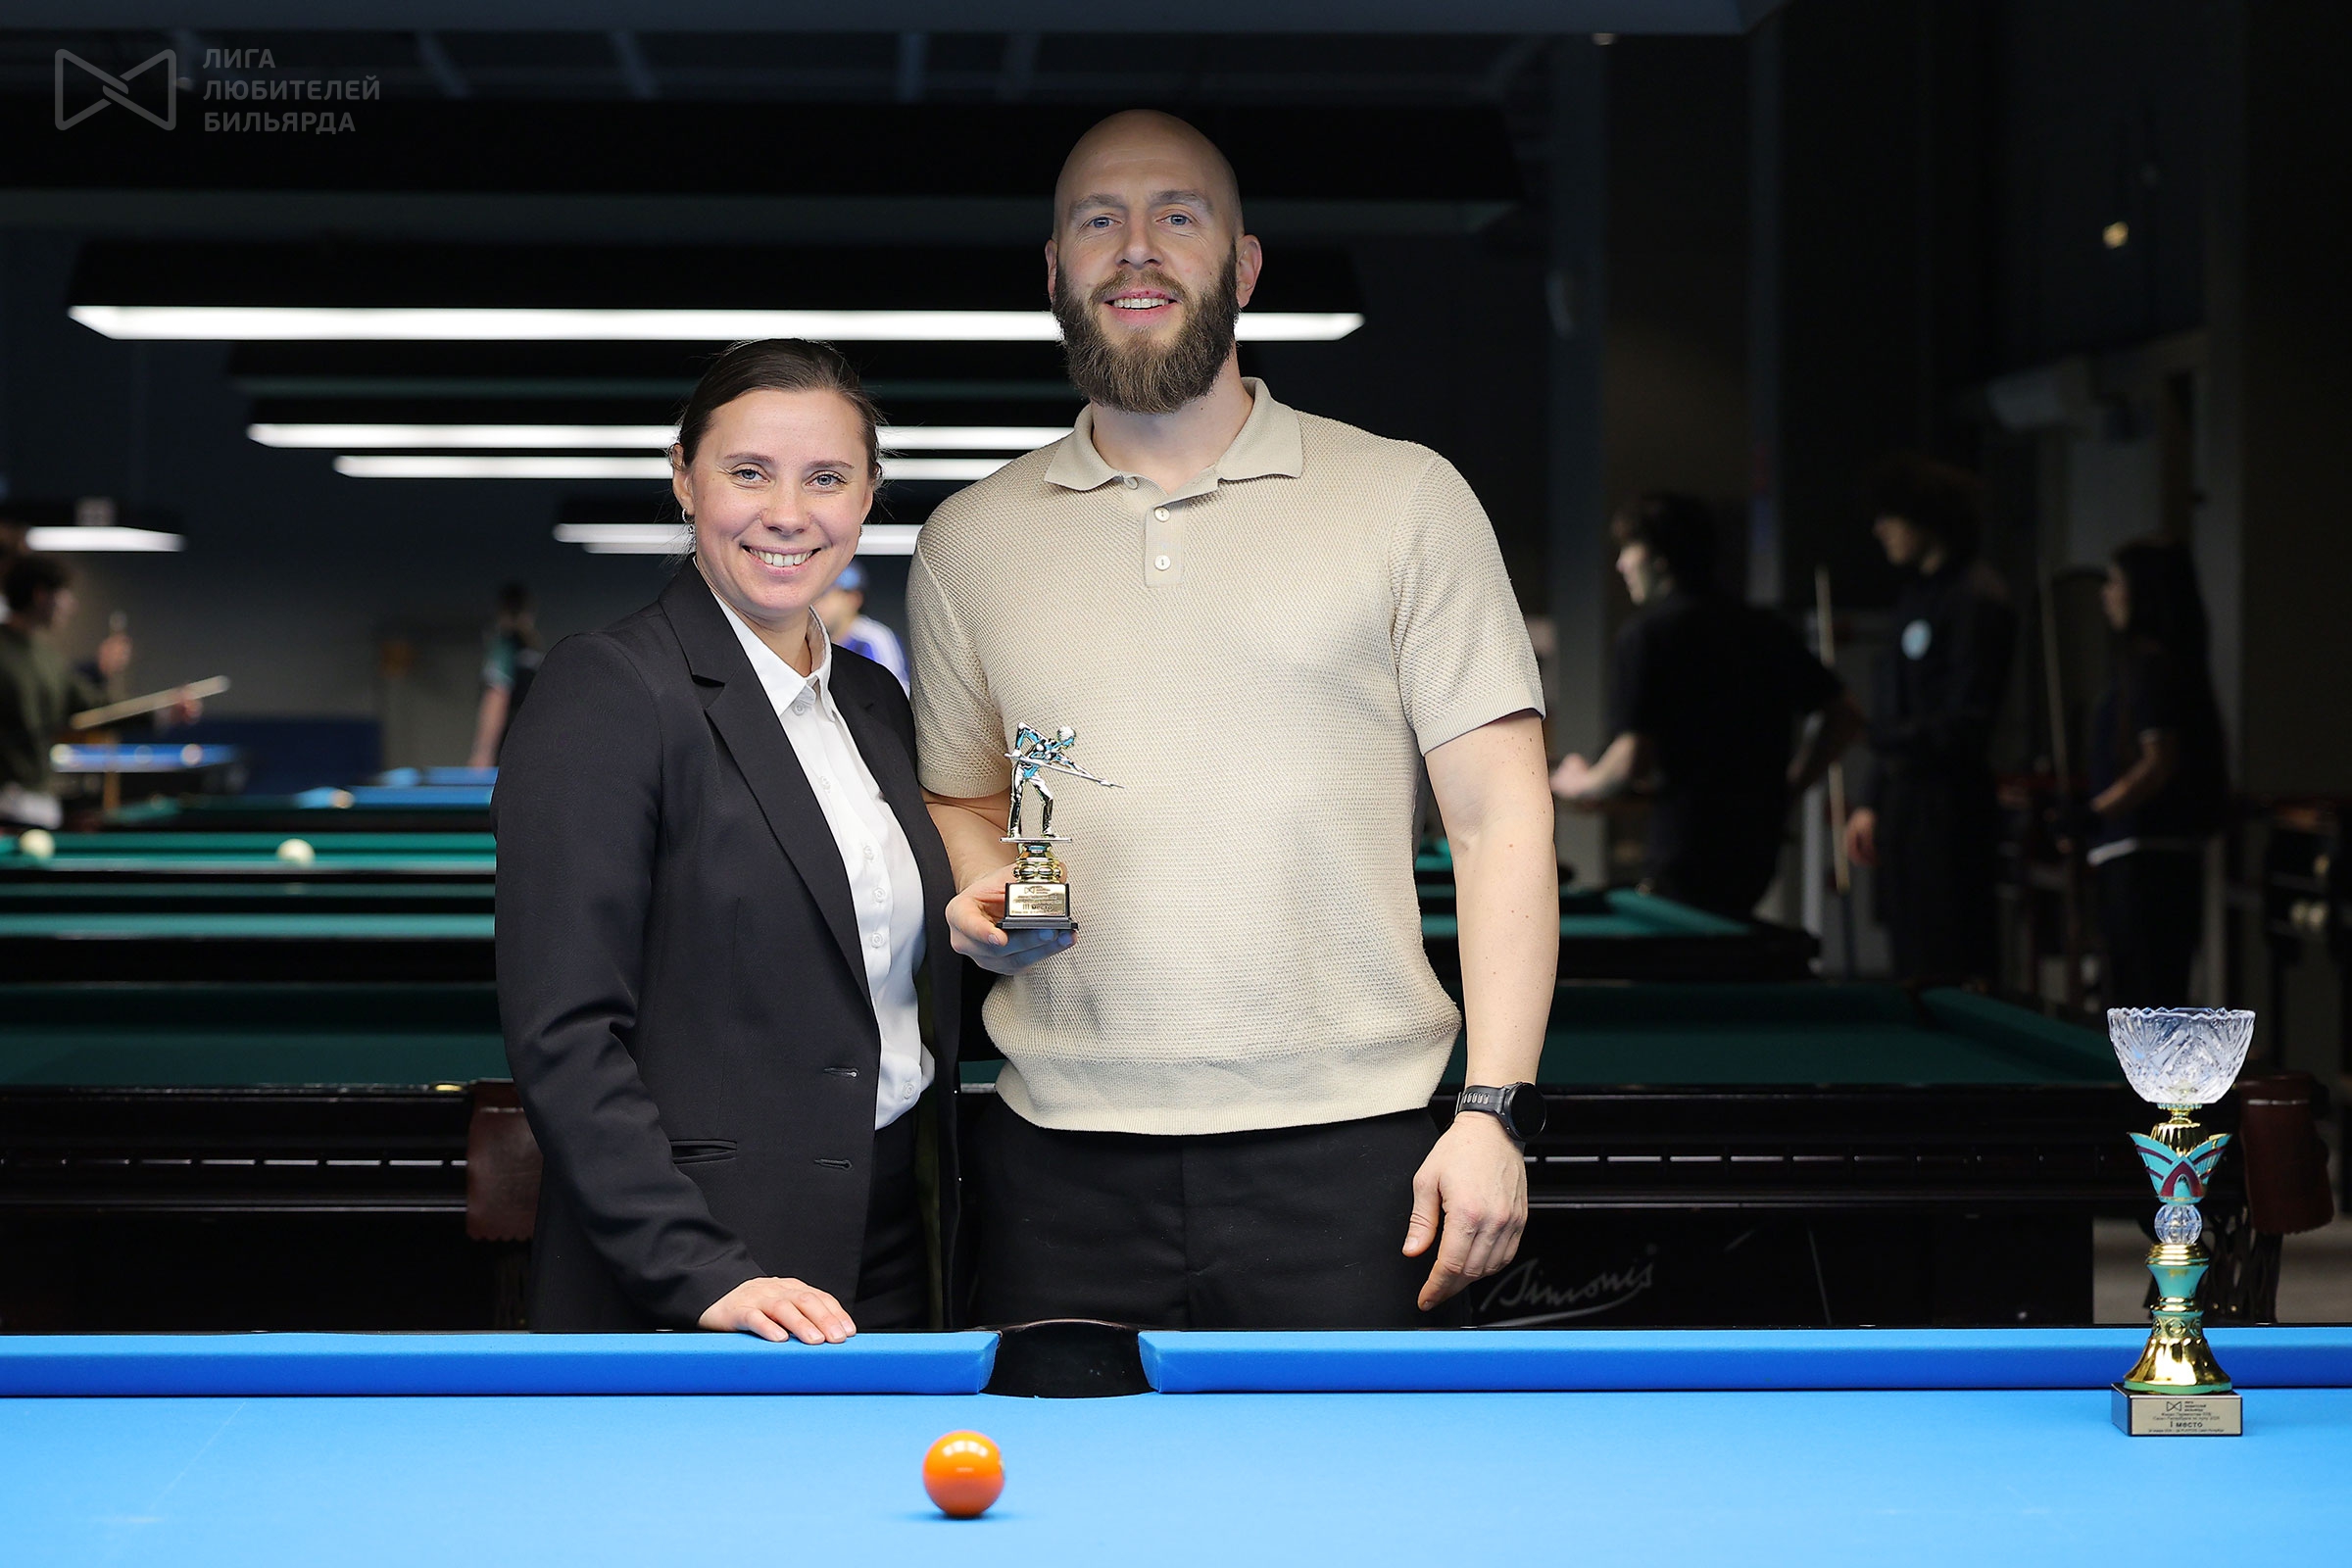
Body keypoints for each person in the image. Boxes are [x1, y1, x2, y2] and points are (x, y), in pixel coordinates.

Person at [908, 110, 1556, 1330]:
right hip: (1057, 1159)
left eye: (1178, 216)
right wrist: (988, 886)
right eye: (1099, 220)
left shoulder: (1406, 499)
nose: (1135, 246)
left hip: (1358, 1154)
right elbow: (963, 793)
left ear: (1245, 266)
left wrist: (1494, 1109)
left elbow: (1500, 822)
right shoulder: (968, 540)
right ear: (1054, 271)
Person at [494, 339, 962, 1340]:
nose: (788, 513)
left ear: (868, 495)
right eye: (749, 472)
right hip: (712, 1264)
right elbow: (564, 1033)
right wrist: (697, 1269)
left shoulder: (875, 701)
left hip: (897, 1235)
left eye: (826, 478)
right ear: (683, 478)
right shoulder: (609, 688)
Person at [1552, 493, 1866, 918]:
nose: (1621, 564)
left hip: (1685, 850)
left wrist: (1578, 783)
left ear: (1660, 557)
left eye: (1629, 549)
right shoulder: (1766, 629)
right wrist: (1787, 790)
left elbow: (1631, 761)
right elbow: (1844, 715)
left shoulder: (1648, 635)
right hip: (1757, 848)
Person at [1843, 454, 2016, 984]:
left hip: (1947, 807)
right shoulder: (1916, 596)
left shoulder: (1975, 598)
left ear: (1927, 519)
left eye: (1890, 516)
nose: (1880, 529)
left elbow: (1966, 720)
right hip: (1905, 801)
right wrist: (1871, 799)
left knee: (1948, 958)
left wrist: (1874, 736)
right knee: (1910, 957)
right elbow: (1898, 704)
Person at [2077, 538, 2229, 1006]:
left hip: (2143, 862)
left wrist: (2095, 812)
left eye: (2116, 582)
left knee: (2142, 1002)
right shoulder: (2159, 665)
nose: (2106, 594)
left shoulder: (2151, 668)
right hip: (2148, 858)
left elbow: (2158, 761)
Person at [0, 554, 130, 829]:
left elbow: (94, 706)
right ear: (41, 595)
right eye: (65, 595)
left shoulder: (48, 658)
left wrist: (162, 712)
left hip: (38, 805)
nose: (71, 605)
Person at [466, 582, 541, 768]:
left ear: (502, 612)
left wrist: (483, 752)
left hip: (511, 750)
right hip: (532, 750)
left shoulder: (505, 646)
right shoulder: (532, 651)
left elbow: (497, 696)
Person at [812, 561, 911, 691]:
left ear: (853, 599)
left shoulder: (875, 639)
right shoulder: (816, 641)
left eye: (825, 595)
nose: (817, 603)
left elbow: (896, 695)